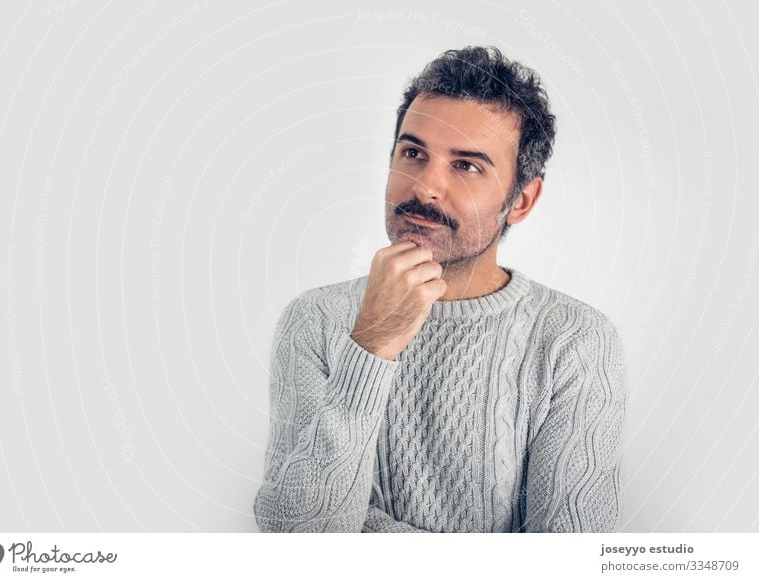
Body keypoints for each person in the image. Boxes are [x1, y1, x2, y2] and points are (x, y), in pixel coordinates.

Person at [253, 46, 627, 533]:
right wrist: (373, 343)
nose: (425, 187)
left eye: (467, 166)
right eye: (413, 153)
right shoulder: (316, 321)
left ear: (521, 200)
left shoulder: (575, 340)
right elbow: (295, 535)